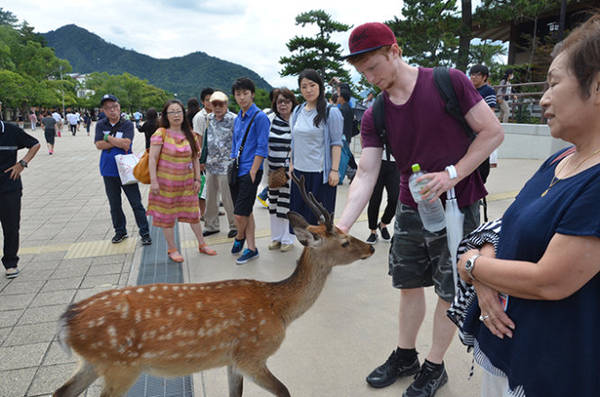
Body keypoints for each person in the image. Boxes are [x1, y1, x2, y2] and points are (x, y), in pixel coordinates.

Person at [336, 22, 503, 397]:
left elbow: (492, 132)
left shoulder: (449, 81)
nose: (370, 77)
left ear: (394, 51)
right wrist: (342, 226)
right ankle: (405, 355)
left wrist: (453, 174)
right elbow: (365, 172)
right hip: (412, 207)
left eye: (374, 67)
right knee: (408, 285)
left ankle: (434, 365)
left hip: (457, 205)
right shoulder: (374, 112)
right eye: (362, 72)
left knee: (449, 287)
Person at [457, 14, 600, 397]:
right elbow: (509, 224)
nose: (543, 97)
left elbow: (549, 280)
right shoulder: (560, 159)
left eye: (554, 83)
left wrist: (473, 266)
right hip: (509, 347)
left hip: (553, 366)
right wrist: (486, 274)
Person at [146, 99, 216, 262]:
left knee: (194, 214)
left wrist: (198, 179)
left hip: (187, 184)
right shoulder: (160, 133)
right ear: (166, 115)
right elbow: (153, 158)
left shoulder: (189, 134)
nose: (176, 115)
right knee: (167, 217)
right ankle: (172, 249)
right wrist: (154, 181)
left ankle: (202, 244)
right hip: (165, 185)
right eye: (172, 112)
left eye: (179, 111)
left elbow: (195, 158)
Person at [94, 94, 152, 246]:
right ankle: (120, 231)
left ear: (119, 107)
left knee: (136, 202)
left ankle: (145, 232)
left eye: (114, 107)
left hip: (126, 170)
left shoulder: (126, 124)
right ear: (103, 110)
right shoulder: (101, 124)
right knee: (114, 204)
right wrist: (115, 142)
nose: (112, 110)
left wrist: (107, 138)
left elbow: (126, 144)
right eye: (107, 108)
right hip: (108, 170)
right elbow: (98, 144)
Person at [289, 69, 343, 227]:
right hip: (300, 174)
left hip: (320, 175)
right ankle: (308, 251)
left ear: (320, 86)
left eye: (312, 85)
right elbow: (294, 140)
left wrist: (334, 170)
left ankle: (320, 252)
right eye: (304, 86)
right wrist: (291, 164)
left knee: (320, 222)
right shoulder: (298, 111)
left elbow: (336, 143)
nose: (308, 90)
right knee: (302, 223)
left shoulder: (330, 112)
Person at [229, 77, 270, 264]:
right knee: (246, 212)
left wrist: (254, 170)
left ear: (252, 94)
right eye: (238, 94)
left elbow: (262, 147)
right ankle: (252, 248)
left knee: (239, 214)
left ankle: (239, 237)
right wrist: (232, 161)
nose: (242, 97)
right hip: (237, 170)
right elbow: (235, 143)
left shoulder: (260, 117)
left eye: (245, 93)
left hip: (251, 171)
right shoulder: (238, 117)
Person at [0, 103, 40, 278]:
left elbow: (35, 144)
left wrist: (22, 163)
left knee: (11, 226)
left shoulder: (10, 131)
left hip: (9, 187)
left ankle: (10, 263)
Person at [199, 91, 237, 239]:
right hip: (211, 163)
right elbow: (206, 140)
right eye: (214, 104)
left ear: (226, 104)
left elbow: (239, 140)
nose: (217, 107)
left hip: (227, 164)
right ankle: (211, 225)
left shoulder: (233, 119)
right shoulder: (209, 118)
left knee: (228, 198)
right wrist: (202, 159)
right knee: (210, 197)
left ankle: (234, 225)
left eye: (221, 104)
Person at [267, 88, 297, 252]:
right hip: (273, 170)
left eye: (287, 101)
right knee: (273, 204)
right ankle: (276, 238)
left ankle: (288, 239)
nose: (283, 105)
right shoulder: (270, 119)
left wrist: (290, 167)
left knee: (287, 206)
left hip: (290, 172)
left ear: (292, 103)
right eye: (280, 102)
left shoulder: (296, 120)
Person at [365, 145, 399, 244]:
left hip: (395, 162)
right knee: (375, 198)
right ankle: (373, 231)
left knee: (395, 198)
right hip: (376, 162)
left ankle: (383, 223)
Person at [470, 64, 499, 167]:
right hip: (469, 129)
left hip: (480, 130)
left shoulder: (488, 91)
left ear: (484, 77)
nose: (473, 77)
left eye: (477, 75)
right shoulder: (469, 90)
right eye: (472, 74)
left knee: (480, 164)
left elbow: (491, 110)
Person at [337, 86, 357, 183]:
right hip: (347, 135)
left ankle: (349, 174)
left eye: (338, 96)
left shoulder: (342, 109)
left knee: (342, 158)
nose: (337, 98)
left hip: (342, 136)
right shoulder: (349, 108)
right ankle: (352, 173)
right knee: (345, 156)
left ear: (342, 97)